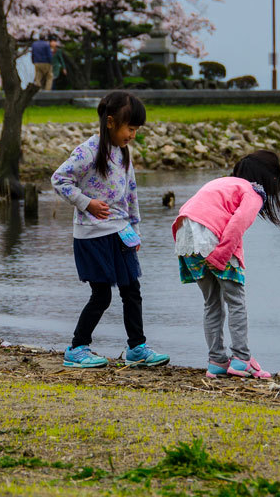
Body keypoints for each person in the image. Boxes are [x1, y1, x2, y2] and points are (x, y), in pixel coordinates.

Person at [51, 91, 169, 369]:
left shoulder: (124, 153)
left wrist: (135, 229)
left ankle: (137, 348)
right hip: (91, 236)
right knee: (101, 295)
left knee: (132, 290)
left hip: (121, 231)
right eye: (130, 128)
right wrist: (86, 202)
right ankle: (77, 348)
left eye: (136, 129)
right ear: (111, 122)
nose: (133, 135)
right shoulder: (88, 151)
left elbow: (131, 194)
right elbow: (59, 179)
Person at [173, 150, 280, 379]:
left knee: (212, 303)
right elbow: (237, 225)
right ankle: (241, 359)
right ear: (270, 178)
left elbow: (194, 210)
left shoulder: (223, 182)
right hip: (210, 237)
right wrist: (222, 255)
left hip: (185, 236)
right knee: (236, 301)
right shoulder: (253, 192)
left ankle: (216, 360)